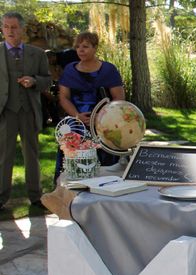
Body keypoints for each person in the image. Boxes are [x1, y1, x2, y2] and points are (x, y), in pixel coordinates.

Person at [0, 12, 51, 210]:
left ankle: (36, 196)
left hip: (29, 110)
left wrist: (34, 81)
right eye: (6, 27)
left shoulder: (36, 54)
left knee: (32, 154)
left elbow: (48, 80)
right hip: (5, 111)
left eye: (14, 27)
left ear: (22, 29)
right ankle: (1, 197)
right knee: (4, 156)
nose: (10, 31)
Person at [57, 32, 125, 178]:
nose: (80, 50)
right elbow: (63, 97)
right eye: (78, 47)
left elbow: (119, 98)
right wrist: (76, 116)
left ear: (95, 48)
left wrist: (99, 118)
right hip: (76, 126)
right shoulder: (69, 70)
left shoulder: (108, 70)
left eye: (85, 46)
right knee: (75, 171)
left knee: (106, 171)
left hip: (104, 126)